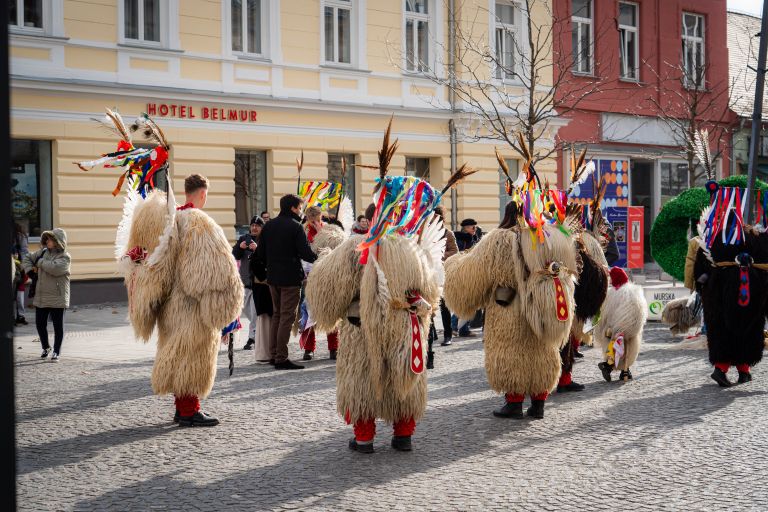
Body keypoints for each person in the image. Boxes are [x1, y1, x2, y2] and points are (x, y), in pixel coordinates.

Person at [120, 173, 243, 427]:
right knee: (192, 355)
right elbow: (210, 271)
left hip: (170, 305)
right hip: (191, 306)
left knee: (178, 354)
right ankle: (189, 410)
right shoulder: (198, 223)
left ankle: (182, 408)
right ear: (203, 193)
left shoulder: (169, 219)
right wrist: (224, 302)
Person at [255, 194, 317, 370]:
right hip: (290, 278)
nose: (300, 211)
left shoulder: (269, 226)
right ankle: (281, 358)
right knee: (286, 318)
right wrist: (320, 256)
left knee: (278, 315)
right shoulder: (296, 227)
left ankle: (274, 354)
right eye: (299, 208)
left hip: (273, 277)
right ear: (292, 208)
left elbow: (260, 254)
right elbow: (306, 254)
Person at [22, 229, 71, 362]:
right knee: (40, 324)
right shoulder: (42, 253)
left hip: (57, 297)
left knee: (58, 327)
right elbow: (27, 258)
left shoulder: (65, 257)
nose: (47, 241)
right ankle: (46, 347)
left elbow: (55, 269)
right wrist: (30, 272)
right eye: (47, 239)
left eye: (50, 239)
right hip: (41, 296)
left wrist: (40, 263)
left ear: (57, 242)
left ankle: (56, 351)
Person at [298, 206, 339, 361]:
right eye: (312, 220)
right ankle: (309, 348)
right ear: (307, 218)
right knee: (307, 312)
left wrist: (321, 232)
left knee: (331, 311)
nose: (315, 222)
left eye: (318, 219)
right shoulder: (302, 231)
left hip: (327, 277)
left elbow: (336, 247)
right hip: (308, 278)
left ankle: (334, 347)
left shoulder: (329, 230)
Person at [595, 267, 648, 382]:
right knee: (628, 348)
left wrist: (606, 328)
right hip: (629, 329)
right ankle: (623, 370)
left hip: (613, 330)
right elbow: (639, 311)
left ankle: (609, 366)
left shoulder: (610, 294)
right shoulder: (634, 292)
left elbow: (604, 314)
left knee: (613, 347)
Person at [426, 205, 458, 369]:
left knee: (445, 306)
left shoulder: (448, 233)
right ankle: (431, 332)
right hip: (429, 273)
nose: (434, 219)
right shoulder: (425, 232)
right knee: (429, 306)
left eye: (437, 217)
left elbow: (454, 251)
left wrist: (438, 254)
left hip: (442, 273)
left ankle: (448, 333)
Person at [233, 216, 264, 351]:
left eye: (257, 225)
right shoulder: (243, 239)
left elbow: (266, 257)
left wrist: (257, 249)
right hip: (244, 282)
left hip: (258, 282)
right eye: (252, 225)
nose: (254, 227)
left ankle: (252, 338)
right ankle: (256, 335)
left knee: (254, 313)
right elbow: (234, 255)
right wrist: (240, 247)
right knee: (247, 311)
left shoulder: (264, 240)